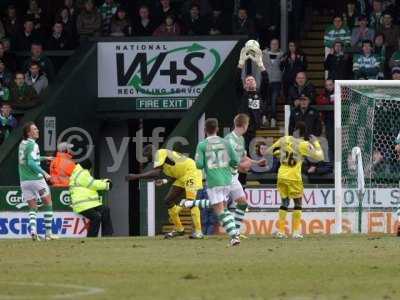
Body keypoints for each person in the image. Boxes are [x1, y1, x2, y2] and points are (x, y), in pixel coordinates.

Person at [182, 114, 266, 236]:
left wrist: (256, 162)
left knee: (242, 203)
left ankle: (235, 231)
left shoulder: (241, 139)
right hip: (227, 176)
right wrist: (242, 167)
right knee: (221, 207)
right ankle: (233, 233)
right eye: (248, 125)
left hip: (234, 176)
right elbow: (229, 160)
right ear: (245, 125)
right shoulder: (228, 140)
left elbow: (242, 157)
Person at [125, 146, 204, 239]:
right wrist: (164, 181)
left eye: (146, 156)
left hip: (192, 172)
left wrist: (136, 176)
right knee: (168, 200)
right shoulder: (162, 161)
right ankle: (179, 229)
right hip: (182, 176)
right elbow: (175, 174)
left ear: (151, 154)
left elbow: (155, 173)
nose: (146, 159)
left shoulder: (159, 153)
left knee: (191, 202)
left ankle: (199, 232)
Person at [263, 122, 324, 239]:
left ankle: (281, 232)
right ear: (304, 133)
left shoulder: (284, 139)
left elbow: (269, 152)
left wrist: (278, 153)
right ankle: (296, 232)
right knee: (298, 203)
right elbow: (320, 157)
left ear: (294, 130)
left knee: (284, 203)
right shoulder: (304, 144)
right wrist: (315, 142)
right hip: (294, 178)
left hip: (281, 176)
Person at [195, 118, 241, 246]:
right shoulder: (225, 142)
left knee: (219, 210)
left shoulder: (202, 145)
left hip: (213, 181)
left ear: (205, 131)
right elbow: (236, 161)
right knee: (224, 209)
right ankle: (234, 233)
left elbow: (198, 165)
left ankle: (234, 236)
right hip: (227, 179)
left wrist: (205, 163)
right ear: (217, 129)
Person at [18, 122, 57, 241]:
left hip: (24, 180)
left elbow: (29, 159)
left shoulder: (23, 144)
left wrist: (45, 158)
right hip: (36, 179)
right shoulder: (33, 145)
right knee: (48, 202)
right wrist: (45, 174)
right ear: (29, 133)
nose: (38, 131)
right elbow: (31, 162)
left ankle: (33, 231)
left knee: (32, 207)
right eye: (34, 129)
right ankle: (48, 234)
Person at [69, 158, 113, 237]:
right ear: (89, 167)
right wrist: (106, 185)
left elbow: (91, 182)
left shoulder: (78, 172)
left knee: (105, 209)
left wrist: (104, 181)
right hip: (83, 204)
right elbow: (92, 184)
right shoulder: (82, 173)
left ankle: (107, 235)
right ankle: (91, 238)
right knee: (96, 217)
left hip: (88, 203)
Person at [236, 43, 269, 146]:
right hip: (242, 128)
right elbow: (236, 79)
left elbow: (266, 81)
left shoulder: (260, 94)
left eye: (252, 80)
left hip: (255, 128)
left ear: (256, 83)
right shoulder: (242, 94)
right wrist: (241, 62)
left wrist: (260, 64)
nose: (250, 81)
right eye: (248, 80)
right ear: (245, 85)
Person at [263, 38, 283, 128]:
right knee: (266, 100)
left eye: (276, 44)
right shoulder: (264, 54)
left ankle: (273, 119)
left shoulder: (282, 55)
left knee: (274, 100)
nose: (274, 45)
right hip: (266, 80)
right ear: (270, 45)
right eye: (273, 44)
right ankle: (265, 117)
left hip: (277, 81)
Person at [316, 79, 335, 163]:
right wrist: (330, 101)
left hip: (340, 122)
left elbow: (342, 99)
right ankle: (331, 163)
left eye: (330, 84)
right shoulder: (323, 94)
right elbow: (319, 101)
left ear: (334, 84)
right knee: (329, 143)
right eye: (327, 85)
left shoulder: (339, 92)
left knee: (339, 143)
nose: (329, 87)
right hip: (328, 122)